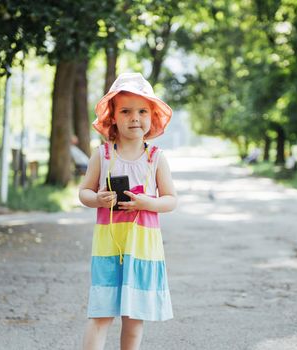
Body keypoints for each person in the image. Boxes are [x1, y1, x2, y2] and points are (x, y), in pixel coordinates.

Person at [79, 72, 177, 350]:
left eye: (142, 111)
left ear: (152, 117)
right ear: (113, 117)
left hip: (143, 250)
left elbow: (170, 199)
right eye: (126, 111)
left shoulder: (156, 158)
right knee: (101, 315)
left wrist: (149, 203)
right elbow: (83, 192)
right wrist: (97, 199)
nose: (135, 117)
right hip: (109, 248)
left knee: (134, 320)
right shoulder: (102, 155)